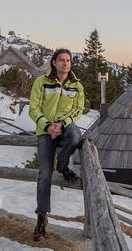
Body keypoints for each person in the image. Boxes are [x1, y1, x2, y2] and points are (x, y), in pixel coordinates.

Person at [28, 48, 85, 241]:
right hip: (46, 130)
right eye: (61, 60)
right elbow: (33, 108)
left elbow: (78, 110)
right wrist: (47, 125)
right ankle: (41, 219)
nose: (65, 64)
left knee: (77, 137)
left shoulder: (76, 85)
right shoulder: (41, 82)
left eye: (68, 60)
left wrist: (63, 123)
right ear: (54, 62)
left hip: (65, 125)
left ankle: (62, 163)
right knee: (44, 175)